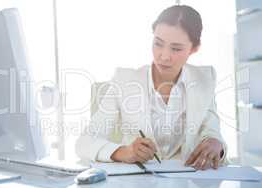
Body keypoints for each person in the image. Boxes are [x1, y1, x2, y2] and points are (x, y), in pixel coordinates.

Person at [75, 5, 227, 170]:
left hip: (186, 182)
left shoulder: (204, 79)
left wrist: (215, 143)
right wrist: (123, 152)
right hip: (137, 185)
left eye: (176, 48)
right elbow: (84, 142)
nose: (164, 56)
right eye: (158, 44)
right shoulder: (124, 81)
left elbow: (212, 131)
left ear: (194, 48)